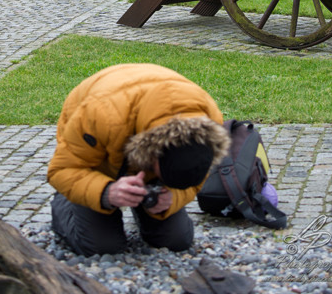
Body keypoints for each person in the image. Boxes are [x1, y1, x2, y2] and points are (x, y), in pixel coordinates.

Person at [48, 63, 230, 256]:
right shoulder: (100, 112)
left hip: (137, 117)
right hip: (96, 146)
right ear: (153, 156)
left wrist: (170, 199)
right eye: (161, 179)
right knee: (103, 246)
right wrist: (106, 193)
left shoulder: (208, 127)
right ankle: (64, 202)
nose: (160, 183)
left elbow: (194, 182)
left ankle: (139, 202)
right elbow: (61, 170)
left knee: (176, 240)